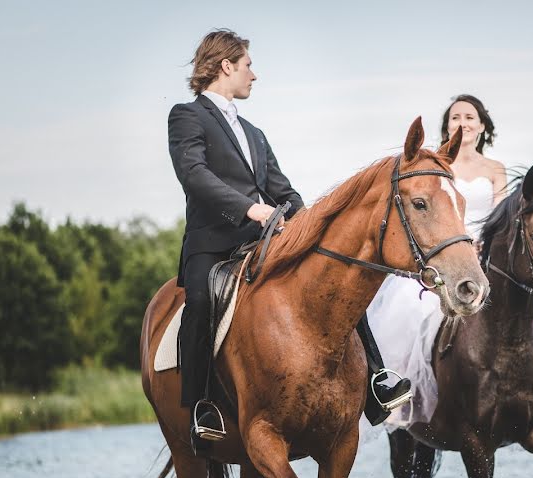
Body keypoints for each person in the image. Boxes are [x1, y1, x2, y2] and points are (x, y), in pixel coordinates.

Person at [169, 30, 407, 454]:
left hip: (265, 241)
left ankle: (375, 379)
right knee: (201, 301)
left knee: (338, 284)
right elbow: (195, 175)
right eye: (248, 65)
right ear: (226, 65)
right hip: (213, 244)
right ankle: (202, 406)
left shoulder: (255, 132)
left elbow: (282, 189)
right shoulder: (186, 116)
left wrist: (306, 220)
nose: (253, 75)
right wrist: (248, 208)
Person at [367, 94, 533, 429]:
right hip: (442, 254)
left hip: (486, 254)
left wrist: (485, 244)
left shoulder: (495, 170)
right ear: (447, 127)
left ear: (483, 126)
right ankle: (405, 398)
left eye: (469, 117)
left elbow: (502, 216)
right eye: (455, 118)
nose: (462, 123)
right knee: (408, 311)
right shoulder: (439, 165)